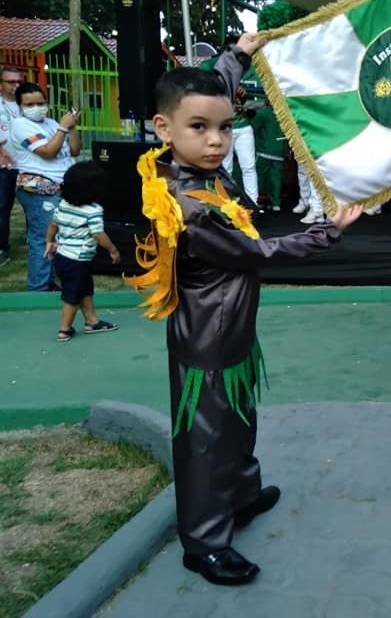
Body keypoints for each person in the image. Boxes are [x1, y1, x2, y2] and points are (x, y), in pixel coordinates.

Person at [127, 33, 363, 586]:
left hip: (231, 333)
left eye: (225, 128)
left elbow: (214, 92)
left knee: (239, 422)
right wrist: (328, 233)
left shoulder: (202, 163)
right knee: (206, 440)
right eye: (200, 129)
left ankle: (242, 495)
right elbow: (262, 252)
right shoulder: (190, 206)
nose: (216, 141)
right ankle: (204, 543)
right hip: (205, 344)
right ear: (163, 129)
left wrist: (239, 52)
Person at [9, 82, 81, 291]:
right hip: (39, 190)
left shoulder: (50, 123)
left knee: (56, 236)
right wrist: (62, 127)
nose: (37, 107)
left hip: (61, 186)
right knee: (43, 237)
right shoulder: (20, 125)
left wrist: (72, 126)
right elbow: (48, 152)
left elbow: (75, 150)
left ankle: (48, 281)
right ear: (20, 106)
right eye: (30, 104)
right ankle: (38, 286)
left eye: (40, 103)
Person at [43, 161, 121, 342]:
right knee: (73, 295)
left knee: (85, 287)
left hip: (63, 257)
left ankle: (92, 321)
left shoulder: (63, 204)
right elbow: (99, 235)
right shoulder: (93, 211)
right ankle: (64, 329)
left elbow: (53, 224)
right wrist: (113, 250)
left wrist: (49, 241)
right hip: (76, 261)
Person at [200, 36, 259, 205]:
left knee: (248, 167)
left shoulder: (254, 67)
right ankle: (224, 205)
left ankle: (252, 205)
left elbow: (260, 102)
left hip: (244, 125)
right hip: (224, 129)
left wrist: (245, 97)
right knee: (225, 169)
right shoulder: (210, 66)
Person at [0, 66, 22, 267]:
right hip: (4, 167)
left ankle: (40, 244)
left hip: (27, 165)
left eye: (18, 82)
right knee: (2, 207)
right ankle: (2, 248)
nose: (15, 85)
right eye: (11, 82)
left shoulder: (26, 103)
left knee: (34, 207)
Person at [251, 100, 285, 212]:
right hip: (279, 150)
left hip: (264, 150)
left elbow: (252, 129)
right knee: (276, 177)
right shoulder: (284, 113)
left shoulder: (263, 113)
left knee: (259, 176)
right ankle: (276, 203)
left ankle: (257, 200)